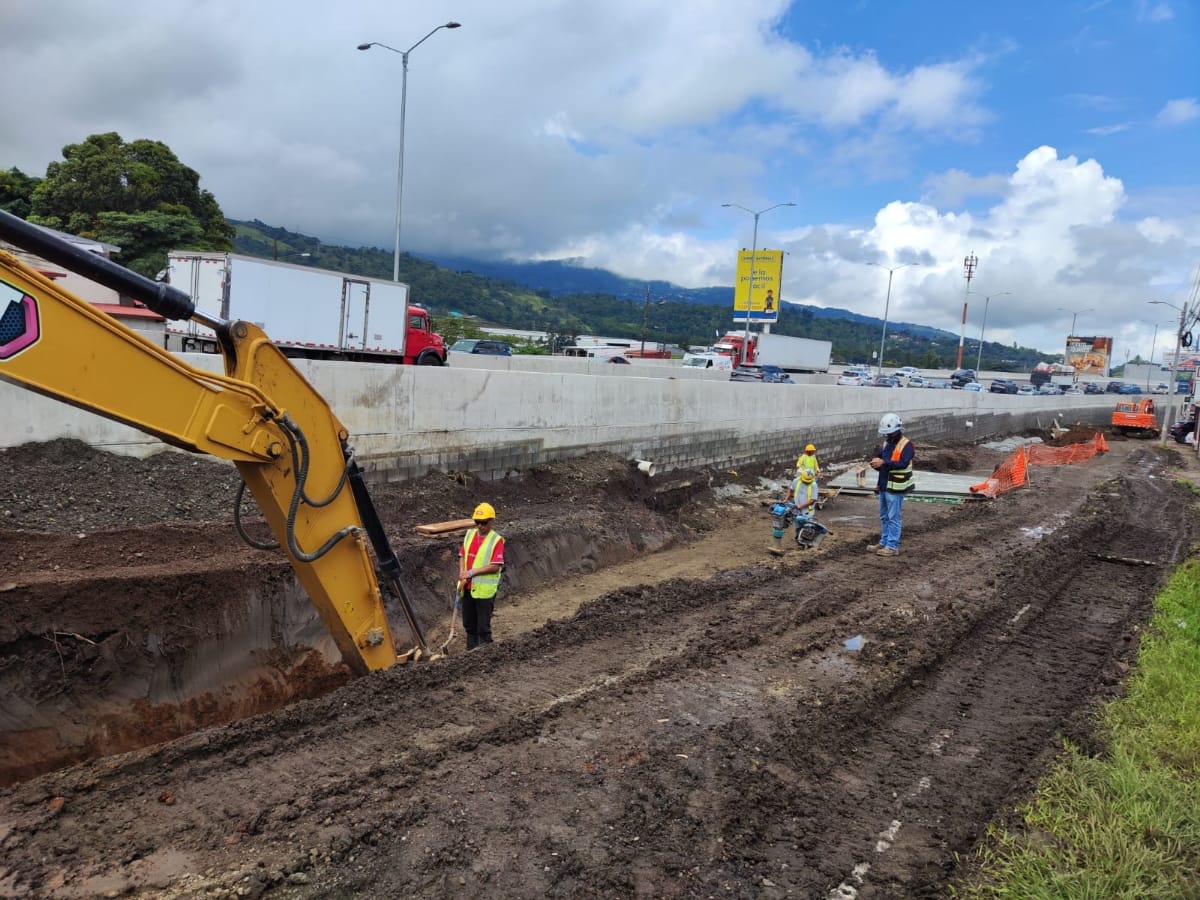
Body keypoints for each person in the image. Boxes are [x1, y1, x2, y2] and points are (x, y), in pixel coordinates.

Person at [458, 502, 506, 649]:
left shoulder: (496, 540)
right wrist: (462, 573)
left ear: (491, 521)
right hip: (467, 588)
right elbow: (462, 555)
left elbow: (495, 566)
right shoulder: (470, 535)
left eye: (483, 522)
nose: (480, 526)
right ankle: (471, 653)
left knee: (483, 627)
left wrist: (471, 572)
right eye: (477, 522)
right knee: (469, 624)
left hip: (484, 592)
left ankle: (487, 653)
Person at [867, 413, 915, 557]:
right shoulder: (887, 443)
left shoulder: (907, 445)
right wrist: (876, 463)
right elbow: (883, 460)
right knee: (884, 516)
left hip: (896, 487)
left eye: (889, 432)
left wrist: (883, 463)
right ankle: (884, 542)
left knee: (894, 517)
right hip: (884, 484)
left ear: (897, 429)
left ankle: (892, 546)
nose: (886, 435)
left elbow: (902, 464)